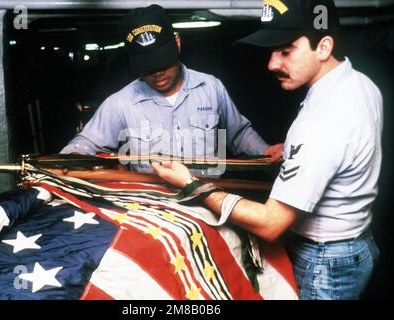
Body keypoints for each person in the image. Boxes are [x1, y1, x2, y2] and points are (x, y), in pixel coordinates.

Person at [152, 0, 383, 300]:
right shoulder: (359, 83)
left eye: (286, 51)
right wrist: (294, 152)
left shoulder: (322, 121)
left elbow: (271, 223)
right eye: (272, 51)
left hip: (324, 262)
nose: (272, 64)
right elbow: (344, 143)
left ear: (323, 47)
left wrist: (191, 184)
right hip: (356, 245)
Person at [61, 4, 282, 174]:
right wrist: (69, 159)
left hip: (209, 198)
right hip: (153, 208)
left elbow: (239, 134)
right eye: (147, 67)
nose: (157, 73)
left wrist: (263, 150)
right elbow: (86, 143)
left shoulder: (211, 87)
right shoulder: (121, 102)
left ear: (177, 43)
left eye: (162, 62)